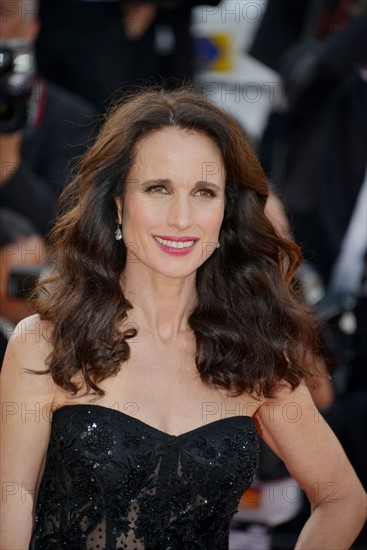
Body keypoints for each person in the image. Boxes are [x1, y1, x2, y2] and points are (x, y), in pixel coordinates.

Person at [0, 88, 365, 549]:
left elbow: (342, 497)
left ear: (224, 212)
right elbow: (9, 508)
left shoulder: (252, 352)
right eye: (159, 189)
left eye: (204, 192)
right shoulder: (47, 345)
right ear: (117, 204)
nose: (181, 217)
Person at [0, 0, 97, 236]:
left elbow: (70, 225)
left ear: (30, 29)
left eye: (3, 13)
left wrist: (9, 166)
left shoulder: (72, 119)